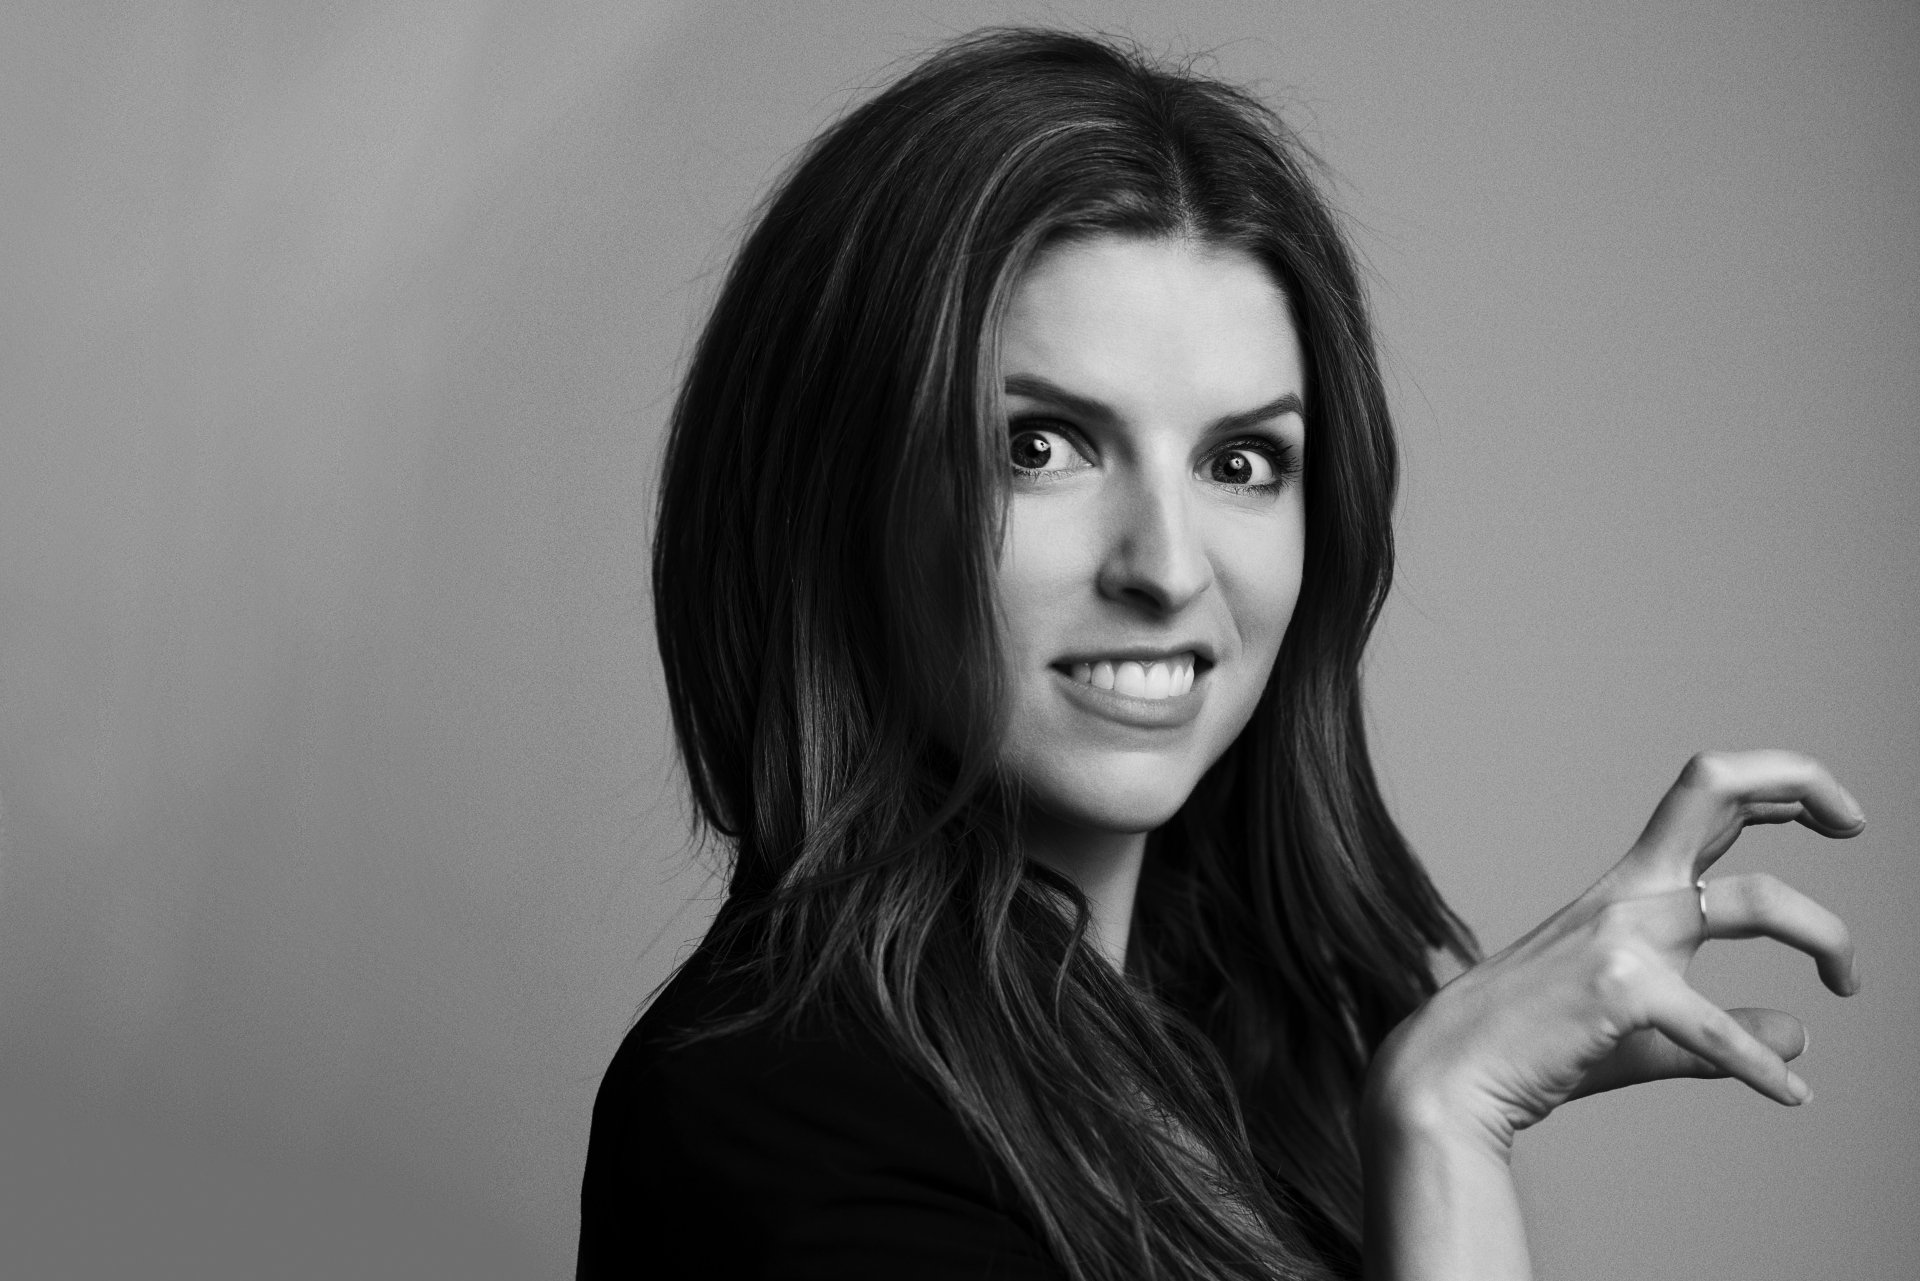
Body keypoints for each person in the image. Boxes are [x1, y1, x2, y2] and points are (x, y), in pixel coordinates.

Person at [577, 27, 1865, 1281]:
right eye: (1041, 446)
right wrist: (1445, 1127)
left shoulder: (1262, 1056)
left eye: (1240, 463)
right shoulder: (774, 1119)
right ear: (835, 496)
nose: (1171, 567)